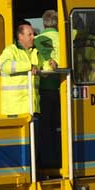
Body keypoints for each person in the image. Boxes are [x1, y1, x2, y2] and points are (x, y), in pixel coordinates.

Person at [34, 10, 60, 167]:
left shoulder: (37, 40)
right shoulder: (66, 36)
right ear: (57, 22)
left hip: (43, 89)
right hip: (65, 88)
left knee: (46, 128)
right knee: (60, 127)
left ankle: (48, 162)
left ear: (43, 23)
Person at [0, 20, 39, 116]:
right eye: (30, 35)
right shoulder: (10, 50)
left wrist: (51, 64)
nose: (33, 37)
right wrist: (28, 66)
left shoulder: (35, 52)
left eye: (33, 34)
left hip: (32, 107)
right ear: (20, 36)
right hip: (15, 109)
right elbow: (5, 66)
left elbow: (43, 66)